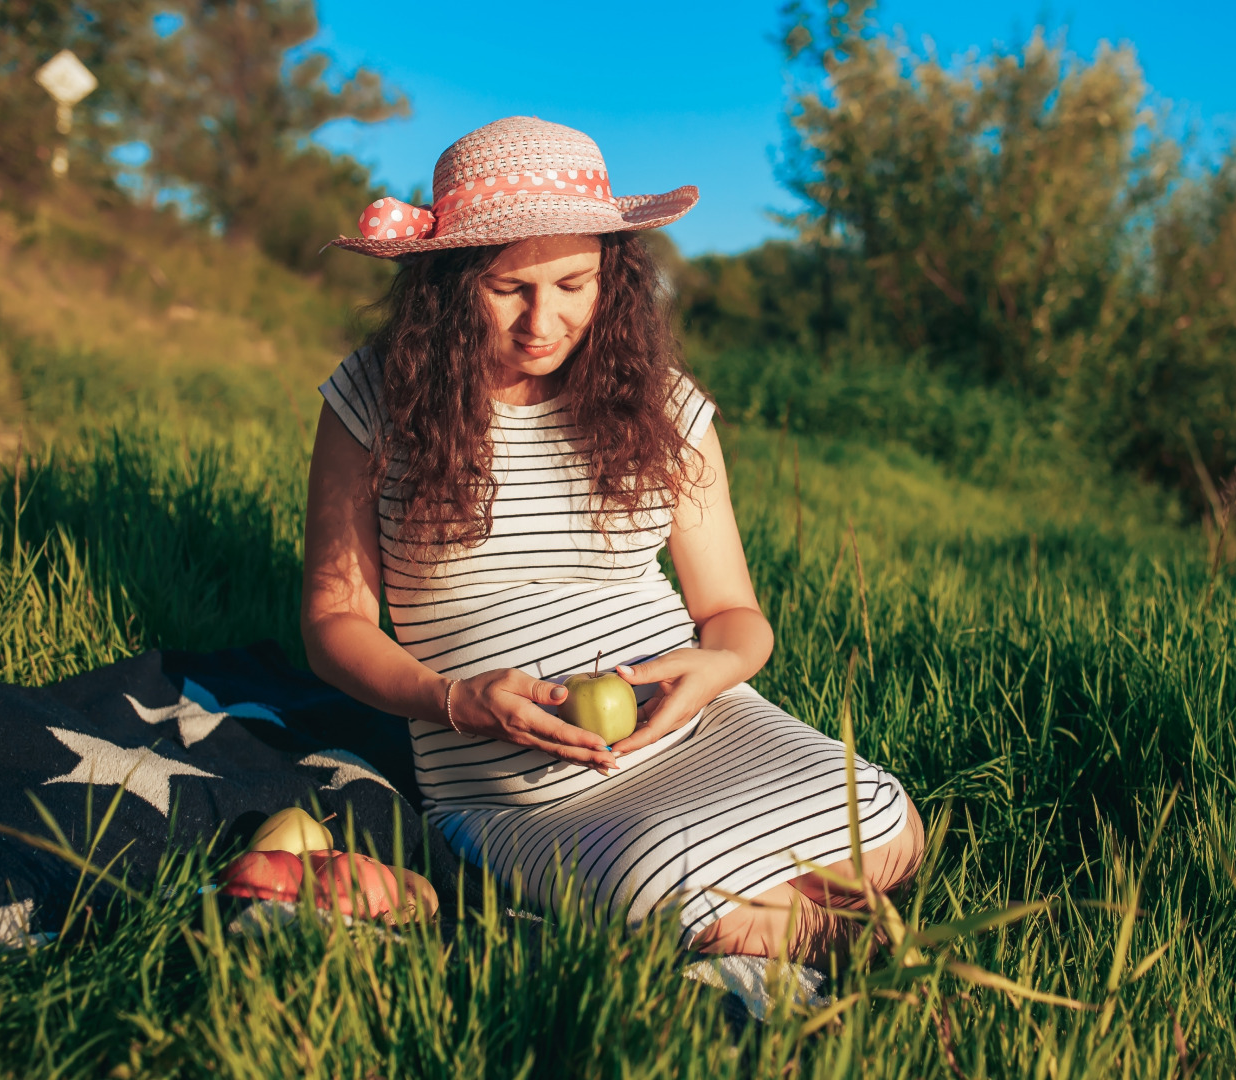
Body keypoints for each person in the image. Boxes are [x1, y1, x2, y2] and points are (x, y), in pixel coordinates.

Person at [300, 117, 923, 962]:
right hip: (514, 788)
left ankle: (767, 926)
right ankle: (825, 936)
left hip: (697, 726)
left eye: (572, 284)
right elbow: (334, 623)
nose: (541, 322)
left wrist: (712, 670)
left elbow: (736, 612)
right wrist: (452, 700)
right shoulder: (374, 399)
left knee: (888, 820)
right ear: (447, 284)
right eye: (506, 288)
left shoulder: (660, 404)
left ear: (613, 277)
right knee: (662, 880)